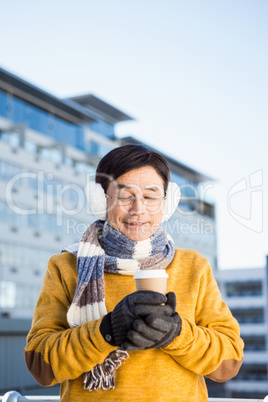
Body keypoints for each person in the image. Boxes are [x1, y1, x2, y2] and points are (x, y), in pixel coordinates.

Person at [25, 144, 244, 401]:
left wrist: (176, 333)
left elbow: (229, 362)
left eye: (150, 196)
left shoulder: (194, 266)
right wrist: (106, 331)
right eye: (124, 196)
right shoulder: (65, 266)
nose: (138, 209)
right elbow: (41, 367)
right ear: (100, 200)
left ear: (167, 203)